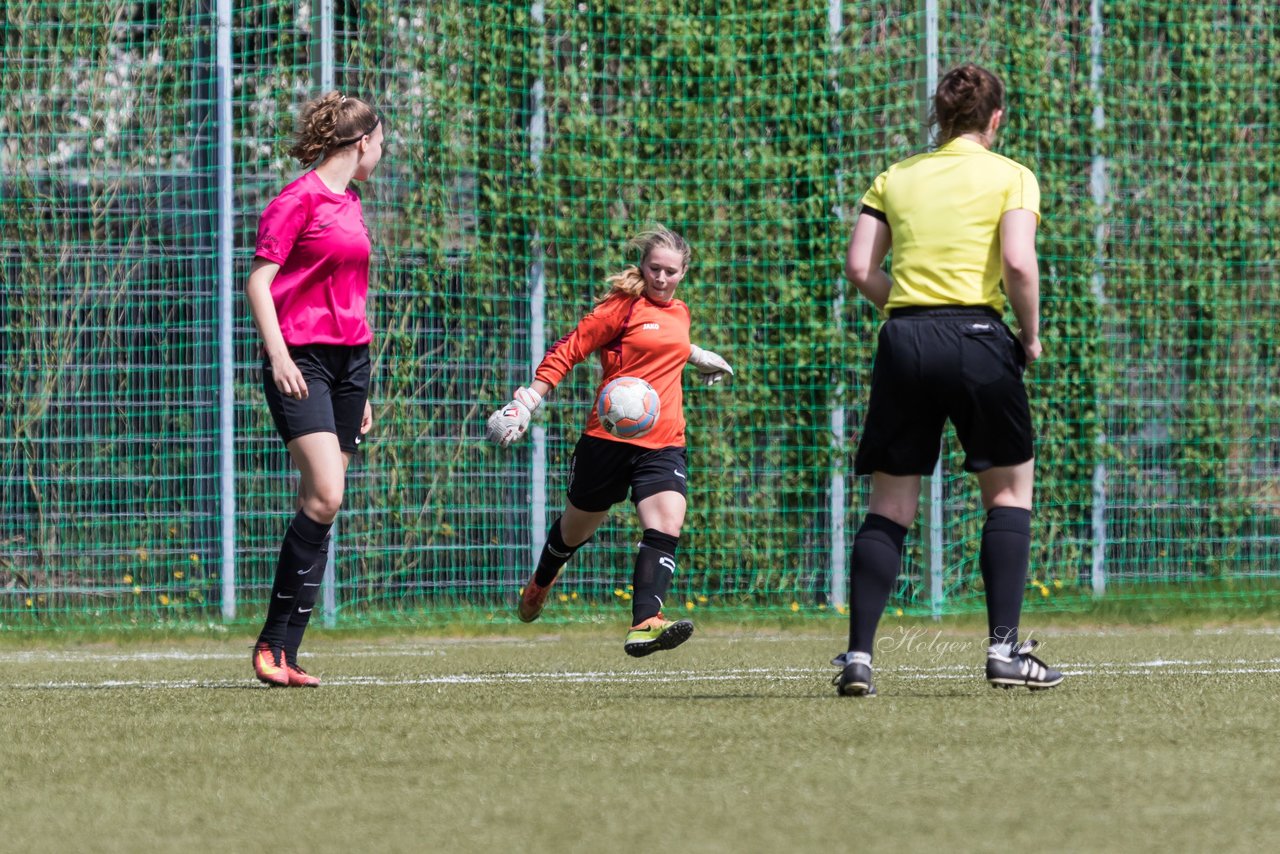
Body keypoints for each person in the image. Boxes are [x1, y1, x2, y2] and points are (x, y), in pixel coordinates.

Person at [833, 64, 1063, 696]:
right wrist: (1031, 335)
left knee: (890, 506)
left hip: (904, 337)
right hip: (980, 338)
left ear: (939, 116)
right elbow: (1018, 260)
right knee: (1009, 496)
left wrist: (906, 306)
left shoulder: (896, 176)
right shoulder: (1013, 175)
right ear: (995, 118)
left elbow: (859, 266)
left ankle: (858, 658)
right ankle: (1004, 653)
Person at [486, 226, 734, 657]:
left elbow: (664, 340)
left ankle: (645, 623)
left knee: (667, 522)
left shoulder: (681, 312)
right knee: (572, 533)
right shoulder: (621, 306)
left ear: (684, 273)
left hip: (664, 443)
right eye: (654, 268)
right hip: (607, 442)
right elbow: (570, 349)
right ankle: (540, 583)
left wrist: (694, 355)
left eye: (670, 272)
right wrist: (526, 402)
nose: (661, 278)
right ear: (642, 265)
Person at [245, 92, 384, 687]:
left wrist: (364, 386)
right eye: (380, 144)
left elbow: (347, 292)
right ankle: (270, 645)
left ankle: (286, 655)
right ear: (360, 144)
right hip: (300, 359)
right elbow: (259, 280)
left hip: (352, 365)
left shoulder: (351, 201)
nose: (381, 154)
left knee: (324, 503)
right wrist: (277, 355)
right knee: (325, 495)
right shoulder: (296, 200)